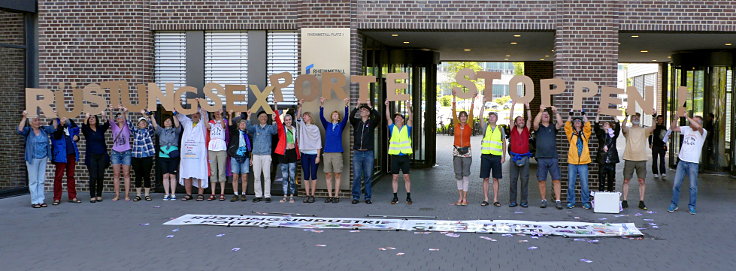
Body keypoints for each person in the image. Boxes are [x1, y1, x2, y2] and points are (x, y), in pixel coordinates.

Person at [667, 112, 707, 215]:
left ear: (699, 123)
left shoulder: (703, 132)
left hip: (693, 163)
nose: (691, 122)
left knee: (693, 186)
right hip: (682, 161)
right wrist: (675, 119)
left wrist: (687, 117)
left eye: (694, 120)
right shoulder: (686, 129)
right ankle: (674, 204)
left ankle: (692, 206)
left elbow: (697, 126)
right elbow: (673, 128)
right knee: (676, 184)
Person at [18, 111, 57, 208]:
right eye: (35, 120)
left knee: (41, 180)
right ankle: (35, 201)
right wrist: (24, 117)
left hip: (43, 157)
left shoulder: (43, 129)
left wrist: (55, 117)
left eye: (39, 120)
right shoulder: (28, 131)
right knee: (33, 180)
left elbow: (54, 128)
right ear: (31, 122)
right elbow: (19, 130)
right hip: (32, 159)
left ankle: (41, 200)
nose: (38, 122)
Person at [621, 111, 656, 210]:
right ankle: (624, 200)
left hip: (641, 159)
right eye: (634, 117)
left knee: (641, 181)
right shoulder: (628, 130)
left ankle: (641, 201)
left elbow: (653, 127)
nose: (636, 118)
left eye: (637, 117)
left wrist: (654, 116)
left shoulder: (644, 130)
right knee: (626, 180)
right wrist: (626, 116)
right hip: (629, 158)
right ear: (631, 120)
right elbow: (623, 126)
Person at [533, 105, 564, 209]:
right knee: (542, 180)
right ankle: (543, 200)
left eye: (547, 115)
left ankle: (558, 200)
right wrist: (540, 111)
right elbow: (535, 123)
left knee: (556, 179)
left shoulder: (552, 127)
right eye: (544, 115)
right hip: (541, 157)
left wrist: (556, 112)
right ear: (541, 117)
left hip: (553, 157)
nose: (545, 115)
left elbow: (560, 123)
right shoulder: (538, 128)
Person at [319, 97, 350, 203]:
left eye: (337, 114)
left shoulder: (340, 126)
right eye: (334, 114)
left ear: (338, 117)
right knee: (328, 174)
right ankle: (329, 195)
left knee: (337, 174)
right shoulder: (327, 125)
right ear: (331, 116)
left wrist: (346, 105)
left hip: (337, 153)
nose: (335, 115)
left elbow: (346, 118)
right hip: (327, 152)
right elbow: (321, 117)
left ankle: (336, 196)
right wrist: (322, 105)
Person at [349, 99, 379, 204]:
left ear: (368, 113)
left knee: (368, 176)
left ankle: (367, 197)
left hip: (368, 153)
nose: (361, 111)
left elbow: (378, 117)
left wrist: (371, 107)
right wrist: (357, 106)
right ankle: (356, 197)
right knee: (357, 176)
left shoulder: (372, 123)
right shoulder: (357, 122)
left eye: (363, 110)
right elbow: (351, 117)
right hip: (357, 153)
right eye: (360, 110)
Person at [176, 106, 210, 201]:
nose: (195, 115)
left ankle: (200, 194)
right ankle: (188, 194)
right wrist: (178, 104)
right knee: (187, 173)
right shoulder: (187, 122)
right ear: (191, 114)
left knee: (200, 173)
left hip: (199, 155)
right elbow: (180, 115)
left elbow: (205, 114)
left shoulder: (202, 124)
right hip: (187, 154)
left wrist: (200, 104)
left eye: (197, 114)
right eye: (194, 113)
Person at [384, 99, 414, 205]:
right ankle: (395, 197)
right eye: (395, 117)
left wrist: (408, 107)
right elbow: (388, 117)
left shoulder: (407, 128)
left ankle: (408, 197)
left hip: (405, 156)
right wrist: (387, 106)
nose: (396, 118)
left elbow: (411, 118)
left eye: (398, 117)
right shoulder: (392, 128)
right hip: (395, 157)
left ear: (402, 120)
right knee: (395, 177)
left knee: (406, 177)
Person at [247, 105, 278, 203]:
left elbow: (275, 131)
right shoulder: (255, 127)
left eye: (265, 117)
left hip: (266, 155)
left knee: (267, 176)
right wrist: (248, 117)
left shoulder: (269, 127)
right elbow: (248, 128)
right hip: (256, 154)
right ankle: (258, 195)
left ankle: (267, 195)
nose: (263, 118)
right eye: (261, 117)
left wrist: (274, 120)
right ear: (258, 118)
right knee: (256, 176)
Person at [450, 91, 475, 206]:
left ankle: (465, 198)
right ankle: (460, 198)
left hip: (466, 152)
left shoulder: (469, 125)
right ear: (459, 118)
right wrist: (454, 97)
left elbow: (471, 113)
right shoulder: (455, 124)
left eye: (465, 116)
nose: (463, 118)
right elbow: (453, 112)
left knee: (465, 175)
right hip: (456, 152)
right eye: (462, 116)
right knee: (458, 175)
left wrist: (473, 99)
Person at [478, 103, 506, 207]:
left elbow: (504, 143)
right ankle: (485, 199)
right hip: (485, 156)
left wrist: (503, 156)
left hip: (496, 156)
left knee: (495, 178)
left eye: (493, 116)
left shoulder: (500, 129)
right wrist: (483, 104)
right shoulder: (485, 127)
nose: (491, 118)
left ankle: (495, 199)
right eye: (490, 116)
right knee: (485, 178)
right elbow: (480, 117)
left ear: (496, 118)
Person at [564, 110, 592, 209]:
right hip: (572, 162)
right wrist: (570, 115)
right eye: (575, 121)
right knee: (571, 183)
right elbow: (567, 125)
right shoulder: (571, 134)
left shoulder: (585, 134)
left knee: (584, 184)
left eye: (579, 121)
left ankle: (585, 202)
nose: (577, 123)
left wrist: (583, 114)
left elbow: (588, 125)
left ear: (581, 124)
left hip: (583, 162)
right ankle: (571, 201)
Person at [50, 117, 81, 205]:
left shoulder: (69, 123)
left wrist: (77, 138)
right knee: (58, 177)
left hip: (71, 154)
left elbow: (76, 131)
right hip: (60, 155)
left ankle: (72, 196)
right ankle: (56, 198)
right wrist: (61, 125)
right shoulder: (55, 122)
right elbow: (56, 136)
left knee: (71, 176)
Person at [507, 102, 533, 208]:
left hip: (525, 157)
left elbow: (530, 119)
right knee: (513, 180)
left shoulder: (526, 130)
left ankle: (524, 201)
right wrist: (513, 105)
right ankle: (512, 201)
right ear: (516, 123)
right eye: (519, 120)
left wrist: (528, 107)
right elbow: (510, 119)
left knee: (524, 180)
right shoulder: (513, 130)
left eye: (522, 120)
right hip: (514, 158)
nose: (522, 121)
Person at [296, 100, 322, 203]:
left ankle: (312, 195)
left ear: (310, 117)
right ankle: (307, 195)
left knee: (314, 175)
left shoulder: (315, 128)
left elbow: (318, 143)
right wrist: (300, 106)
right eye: (304, 116)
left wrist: (318, 156)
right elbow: (298, 118)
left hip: (314, 154)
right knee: (306, 175)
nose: (304, 117)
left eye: (306, 116)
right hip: (304, 154)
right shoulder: (302, 126)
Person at [82, 112, 110, 203]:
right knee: (93, 176)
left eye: (93, 117)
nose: (91, 119)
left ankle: (99, 195)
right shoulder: (87, 130)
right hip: (91, 156)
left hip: (102, 155)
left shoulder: (100, 129)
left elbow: (107, 124)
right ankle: (92, 195)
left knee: (100, 176)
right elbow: (83, 126)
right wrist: (86, 117)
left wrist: (104, 116)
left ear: (96, 119)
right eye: (90, 118)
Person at [274, 103, 299, 203]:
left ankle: (291, 195)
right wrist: (276, 106)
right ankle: (285, 195)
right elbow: (277, 119)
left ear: (291, 121)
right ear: (284, 121)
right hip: (284, 153)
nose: (288, 121)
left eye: (289, 120)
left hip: (292, 153)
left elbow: (298, 118)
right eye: (286, 120)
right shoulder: (281, 129)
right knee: (285, 176)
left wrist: (299, 107)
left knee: (292, 176)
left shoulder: (294, 129)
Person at [152, 113, 181, 200]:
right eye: (166, 121)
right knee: (165, 175)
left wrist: (174, 115)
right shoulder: (161, 131)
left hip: (173, 155)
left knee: (172, 175)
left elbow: (177, 125)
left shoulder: (175, 131)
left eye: (169, 121)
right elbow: (155, 125)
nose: (167, 122)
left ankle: (173, 194)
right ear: (163, 123)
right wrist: (151, 116)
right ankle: (166, 193)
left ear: (171, 123)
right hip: (163, 155)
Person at [129, 110, 156, 202]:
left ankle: (147, 195)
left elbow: (151, 124)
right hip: (136, 157)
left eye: (144, 122)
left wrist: (144, 115)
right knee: (138, 176)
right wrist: (124, 112)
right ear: (138, 124)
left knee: (147, 175)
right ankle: (138, 195)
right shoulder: (135, 132)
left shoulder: (149, 132)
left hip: (147, 157)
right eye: (141, 122)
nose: (143, 123)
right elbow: (129, 124)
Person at [108, 106, 132, 201]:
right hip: (115, 152)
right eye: (118, 118)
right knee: (116, 174)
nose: (120, 119)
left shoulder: (127, 126)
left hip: (126, 152)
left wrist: (124, 111)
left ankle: (126, 195)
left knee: (126, 174)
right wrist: (110, 111)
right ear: (116, 120)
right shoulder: (114, 127)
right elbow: (110, 120)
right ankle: (117, 195)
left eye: (121, 117)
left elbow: (127, 117)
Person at [227, 111, 251, 202]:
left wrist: (249, 116)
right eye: (241, 123)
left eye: (244, 124)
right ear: (238, 125)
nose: (242, 125)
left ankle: (243, 194)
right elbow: (229, 126)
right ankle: (235, 194)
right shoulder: (235, 133)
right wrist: (230, 115)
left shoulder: (248, 134)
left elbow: (251, 147)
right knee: (235, 176)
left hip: (245, 157)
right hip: (235, 156)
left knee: (244, 177)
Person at [594, 114, 621, 192]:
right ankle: (601, 196)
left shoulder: (614, 134)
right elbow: (596, 126)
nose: (605, 125)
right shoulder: (600, 134)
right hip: (602, 159)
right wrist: (598, 115)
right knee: (601, 180)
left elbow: (618, 126)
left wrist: (615, 117)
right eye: (604, 124)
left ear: (610, 126)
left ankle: (610, 196)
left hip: (611, 159)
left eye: (607, 124)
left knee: (611, 180)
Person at [207, 109, 228, 201]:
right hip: (212, 148)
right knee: (213, 171)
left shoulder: (223, 121)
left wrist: (221, 116)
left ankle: (222, 193)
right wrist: (204, 114)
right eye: (215, 111)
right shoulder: (211, 122)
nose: (217, 113)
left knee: (221, 170)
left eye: (218, 111)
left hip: (221, 148)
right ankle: (213, 193)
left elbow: (223, 127)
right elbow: (207, 126)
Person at [649, 114, 668, 180]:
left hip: (662, 145)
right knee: (655, 159)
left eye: (661, 119)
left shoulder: (664, 127)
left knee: (662, 160)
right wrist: (650, 143)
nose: (660, 120)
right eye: (659, 119)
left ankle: (663, 172)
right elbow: (650, 135)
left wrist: (666, 143)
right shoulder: (654, 127)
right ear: (657, 120)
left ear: (662, 120)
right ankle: (655, 173)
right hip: (655, 145)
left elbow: (666, 136)